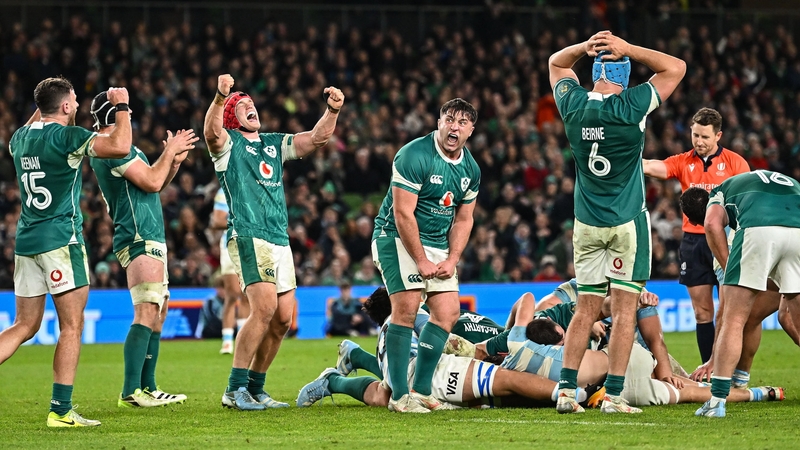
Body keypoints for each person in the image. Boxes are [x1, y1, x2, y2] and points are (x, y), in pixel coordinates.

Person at [548, 30, 686, 414]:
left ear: (595, 73)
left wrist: (581, 47)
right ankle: (612, 396)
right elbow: (676, 67)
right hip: (626, 222)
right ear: (626, 76)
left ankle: (564, 391)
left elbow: (556, 64)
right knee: (625, 312)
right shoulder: (632, 105)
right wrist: (630, 48)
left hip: (586, 223)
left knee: (585, 308)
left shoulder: (572, 104)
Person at [204, 74, 344, 411]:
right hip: (250, 235)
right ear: (230, 118)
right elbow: (210, 132)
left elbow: (316, 138)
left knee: (282, 319)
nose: (250, 106)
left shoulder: (272, 142)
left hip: (279, 238)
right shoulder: (228, 145)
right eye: (241, 106)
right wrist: (221, 97)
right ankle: (233, 389)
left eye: (250, 102)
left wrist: (332, 110)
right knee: (263, 308)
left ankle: (255, 388)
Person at [0, 78, 132, 427]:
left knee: (24, 325)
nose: (76, 105)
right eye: (73, 100)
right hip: (60, 241)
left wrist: (46, 101)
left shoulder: (20, 139)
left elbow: (38, 118)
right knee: (71, 325)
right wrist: (122, 106)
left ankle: (61, 409)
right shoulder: (68, 137)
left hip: (26, 242)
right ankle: (61, 410)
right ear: (67, 107)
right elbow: (120, 146)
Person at [371, 98, 481, 412]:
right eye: (449, 119)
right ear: (439, 121)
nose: (454, 127)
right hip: (395, 236)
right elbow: (404, 214)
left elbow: (463, 218)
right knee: (406, 307)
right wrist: (421, 260)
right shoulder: (413, 155)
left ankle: (420, 390)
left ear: (470, 130)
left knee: (447, 314)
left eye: (462, 123)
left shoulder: (471, 170)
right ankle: (399, 396)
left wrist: (452, 258)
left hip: (438, 243)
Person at [89, 91, 197, 408]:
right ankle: (131, 392)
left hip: (150, 234)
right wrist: (170, 153)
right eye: (125, 109)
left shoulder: (121, 147)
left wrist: (172, 161)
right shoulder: (112, 147)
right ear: (115, 114)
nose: (130, 114)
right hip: (137, 236)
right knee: (147, 309)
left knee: (158, 312)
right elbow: (150, 181)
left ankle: (148, 387)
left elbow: (157, 182)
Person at [680, 172, 800, 417]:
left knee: (736, 318)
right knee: (790, 317)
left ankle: (717, 401)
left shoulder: (719, 193)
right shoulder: (758, 180)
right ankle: (740, 379)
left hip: (760, 228)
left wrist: (728, 269)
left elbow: (713, 223)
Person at [642, 107, 749, 364]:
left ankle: (726, 369)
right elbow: (653, 166)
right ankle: (707, 371)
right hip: (693, 242)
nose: (699, 142)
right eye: (695, 135)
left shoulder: (736, 163)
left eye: (705, 137)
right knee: (702, 312)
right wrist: (626, 159)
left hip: (726, 240)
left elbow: (747, 200)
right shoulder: (683, 161)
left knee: (727, 312)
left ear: (718, 136)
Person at [209, 187, 249, 354]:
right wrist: (244, 222)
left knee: (248, 294)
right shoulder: (224, 190)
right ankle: (227, 341)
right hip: (230, 245)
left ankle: (243, 339)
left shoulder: (255, 184)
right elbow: (217, 222)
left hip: (251, 245)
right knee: (232, 293)